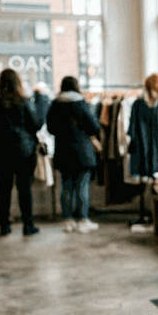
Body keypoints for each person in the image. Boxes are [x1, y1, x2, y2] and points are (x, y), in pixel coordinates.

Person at [0, 68, 42, 236]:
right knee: (24, 189)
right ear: (18, 82)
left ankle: (4, 226)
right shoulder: (24, 100)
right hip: (24, 151)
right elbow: (36, 124)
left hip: (2, 151)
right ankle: (28, 225)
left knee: (4, 188)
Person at [47, 76, 99, 233]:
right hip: (82, 150)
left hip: (63, 150)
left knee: (66, 186)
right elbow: (94, 126)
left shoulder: (55, 104)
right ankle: (83, 220)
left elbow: (50, 128)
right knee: (82, 186)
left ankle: (68, 221)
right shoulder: (81, 103)